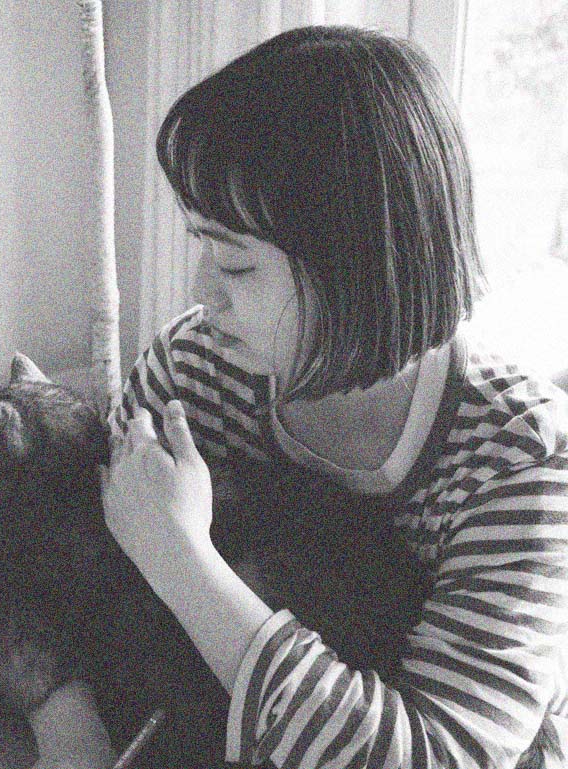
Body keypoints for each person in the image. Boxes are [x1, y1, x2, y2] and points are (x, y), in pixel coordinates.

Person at [32, 24, 568, 769]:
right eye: (200, 243)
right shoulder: (194, 372)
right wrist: (63, 715)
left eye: (236, 265)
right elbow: (59, 570)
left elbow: (434, 755)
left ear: (359, 269)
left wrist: (183, 561)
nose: (201, 292)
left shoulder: (518, 462)